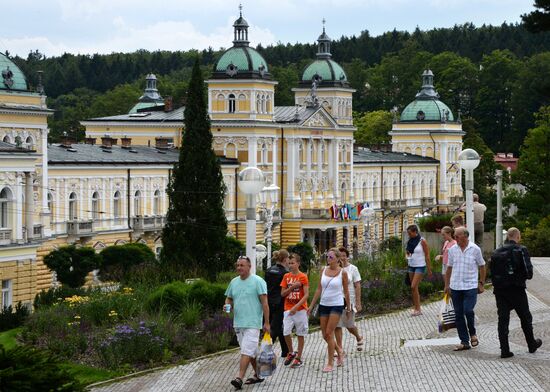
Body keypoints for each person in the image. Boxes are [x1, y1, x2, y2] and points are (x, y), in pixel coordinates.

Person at [490, 227, 542, 358]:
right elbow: (528, 272)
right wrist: (523, 276)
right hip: (516, 289)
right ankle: (531, 344)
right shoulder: (521, 249)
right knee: (525, 317)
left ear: (508, 236)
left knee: (503, 319)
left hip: (501, 291)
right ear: (518, 236)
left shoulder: (496, 252)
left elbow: (493, 272)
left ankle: (504, 349)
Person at [224, 256, 270, 390]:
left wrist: (266, 323)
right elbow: (229, 298)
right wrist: (227, 306)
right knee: (251, 352)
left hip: (253, 324)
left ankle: (239, 378)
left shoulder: (258, 281)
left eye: (242, 265)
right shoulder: (233, 282)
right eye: (237, 265)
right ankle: (258, 374)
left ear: (249, 266)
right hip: (238, 323)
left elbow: (265, 304)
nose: (239, 268)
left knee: (246, 351)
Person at [308, 248, 351, 373]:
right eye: (327, 257)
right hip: (324, 304)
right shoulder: (323, 270)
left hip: (336, 304)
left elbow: (346, 292)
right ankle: (339, 351)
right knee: (324, 335)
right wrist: (311, 306)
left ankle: (330, 362)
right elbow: (318, 289)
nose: (328, 259)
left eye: (331, 257)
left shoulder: (342, 273)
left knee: (329, 332)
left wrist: (348, 307)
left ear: (337, 259)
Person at [444, 227, 486, 351]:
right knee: (458, 315)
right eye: (454, 236)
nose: (455, 238)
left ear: (465, 236)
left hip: (470, 286)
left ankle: (473, 333)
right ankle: (464, 341)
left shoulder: (475, 249)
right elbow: (449, 268)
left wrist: (481, 283)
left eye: (457, 236)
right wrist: (447, 285)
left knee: (468, 310)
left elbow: (482, 266)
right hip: (455, 286)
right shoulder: (452, 250)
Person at [280, 253, 309, 368]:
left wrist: (296, 307)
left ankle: (299, 358)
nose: (290, 265)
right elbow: (282, 294)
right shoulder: (286, 277)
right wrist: (292, 287)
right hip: (288, 308)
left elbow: (306, 295)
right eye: (289, 263)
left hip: (300, 309)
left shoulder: (303, 276)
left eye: (293, 263)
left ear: (298, 263)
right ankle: (291, 352)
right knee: (286, 331)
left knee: (300, 333)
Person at [335, 247, 364, 352]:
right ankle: (339, 348)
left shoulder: (353, 269)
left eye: (344, 256)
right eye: (340, 256)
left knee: (349, 324)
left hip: (349, 300)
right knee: (337, 325)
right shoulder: (335, 269)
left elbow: (357, 285)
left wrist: (358, 302)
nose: (342, 258)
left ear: (347, 257)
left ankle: (358, 336)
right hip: (337, 300)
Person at [264, 249, 290, 359]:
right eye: (288, 259)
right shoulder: (285, 273)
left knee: (278, 327)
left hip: (268, 302)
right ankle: (265, 351)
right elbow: (285, 289)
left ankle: (286, 351)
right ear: (285, 259)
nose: (289, 261)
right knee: (275, 328)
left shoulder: (269, 270)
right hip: (280, 302)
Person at [405, 225, 432, 316]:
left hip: (420, 265)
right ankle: (416, 308)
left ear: (415, 232)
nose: (409, 234)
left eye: (410, 233)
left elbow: (427, 255)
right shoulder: (410, 241)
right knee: (413, 288)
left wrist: (429, 269)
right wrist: (407, 257)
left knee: (413, 286)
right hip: (411, 265)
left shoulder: (422, 241)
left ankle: (418, 308)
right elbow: (407, 252)